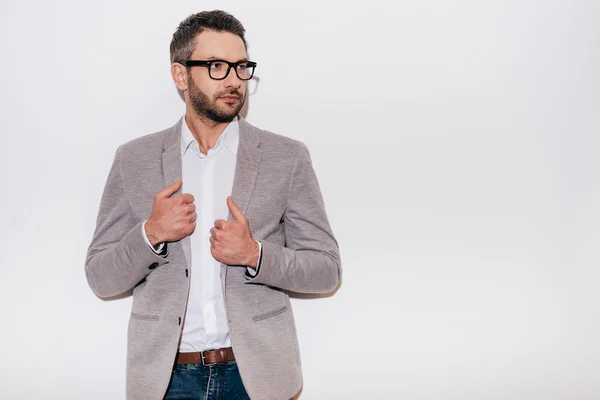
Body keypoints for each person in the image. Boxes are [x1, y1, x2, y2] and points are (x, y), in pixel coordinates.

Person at [85, 10, 341, 400]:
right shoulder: (133, 159)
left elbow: (326, 270)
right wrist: (150, 234)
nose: (235, 81)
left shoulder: (286, 157)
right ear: (181, 75)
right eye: (217, 66)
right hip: (165, 380)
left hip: (258, 377)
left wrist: (255, 254)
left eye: (241, 67)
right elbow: (101, 278)